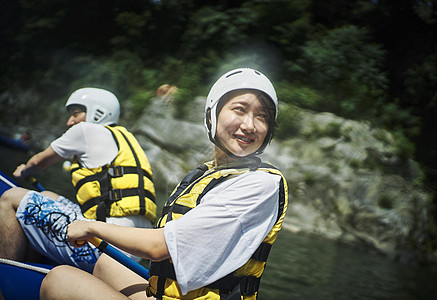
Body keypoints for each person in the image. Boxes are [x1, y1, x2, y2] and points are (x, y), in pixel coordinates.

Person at [39, 68, 289, 300]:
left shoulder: (260, 184)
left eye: (262, 116)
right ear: (213, 114)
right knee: (108, 264)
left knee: (60, 279)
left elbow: (159, 246)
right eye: (240, 109)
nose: (249, 125)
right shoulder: (210, 173)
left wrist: (91, 228)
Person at [0, 87, 157, 272]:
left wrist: (24, 171)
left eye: (75, 114)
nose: (70, 121)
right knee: (47, 194)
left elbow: (37, 162)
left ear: (98, 113)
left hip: (103, 249)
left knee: (11, 197)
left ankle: (6, 277)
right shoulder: (127, 138)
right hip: (132, 252)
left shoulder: (85, 131)